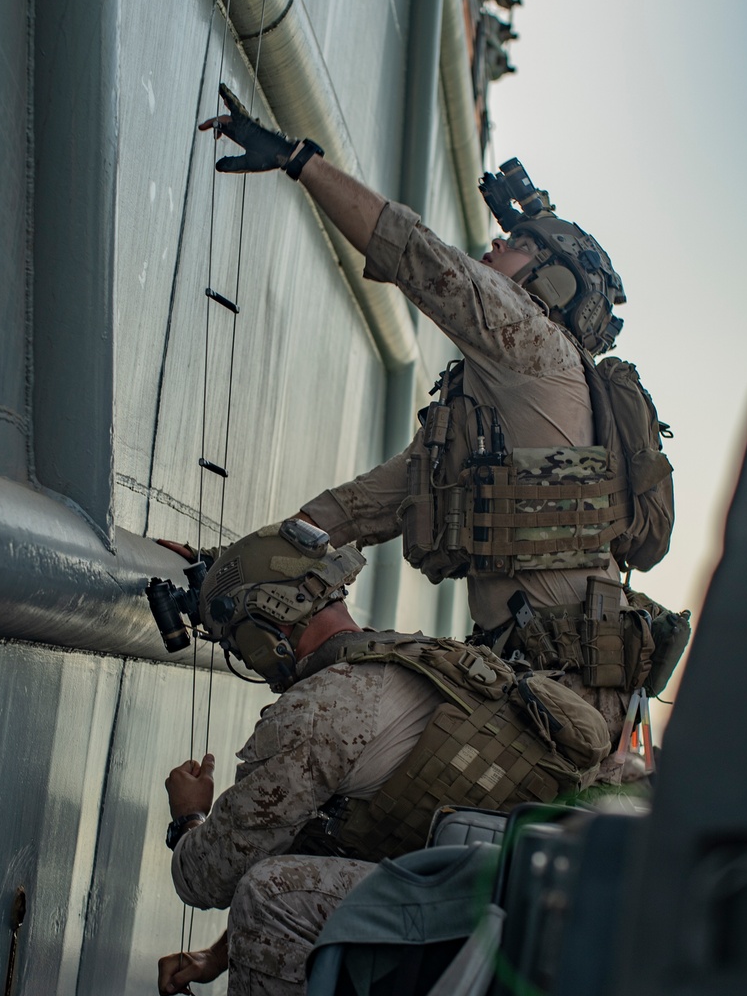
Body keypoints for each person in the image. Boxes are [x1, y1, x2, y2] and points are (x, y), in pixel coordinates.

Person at [152, 519, 608, 996]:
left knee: (270, 891)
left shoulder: (317, 711)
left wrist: (189, 819)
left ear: (272, 631)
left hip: (466, 911)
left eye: (241, 639)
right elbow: (338, 833)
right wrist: (214, 958)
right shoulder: (422, 661)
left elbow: (210, 876)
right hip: (535, 903)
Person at [199, 88, 684, 762]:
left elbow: (422, 260)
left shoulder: (536, 348)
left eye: (515, 244)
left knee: (337, 706)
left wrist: (298, 161)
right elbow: (351, 512)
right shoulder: (481, 429)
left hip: (555, 710)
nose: (493, 247)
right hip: (539, 703)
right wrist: (225, 572)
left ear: (554, 285)